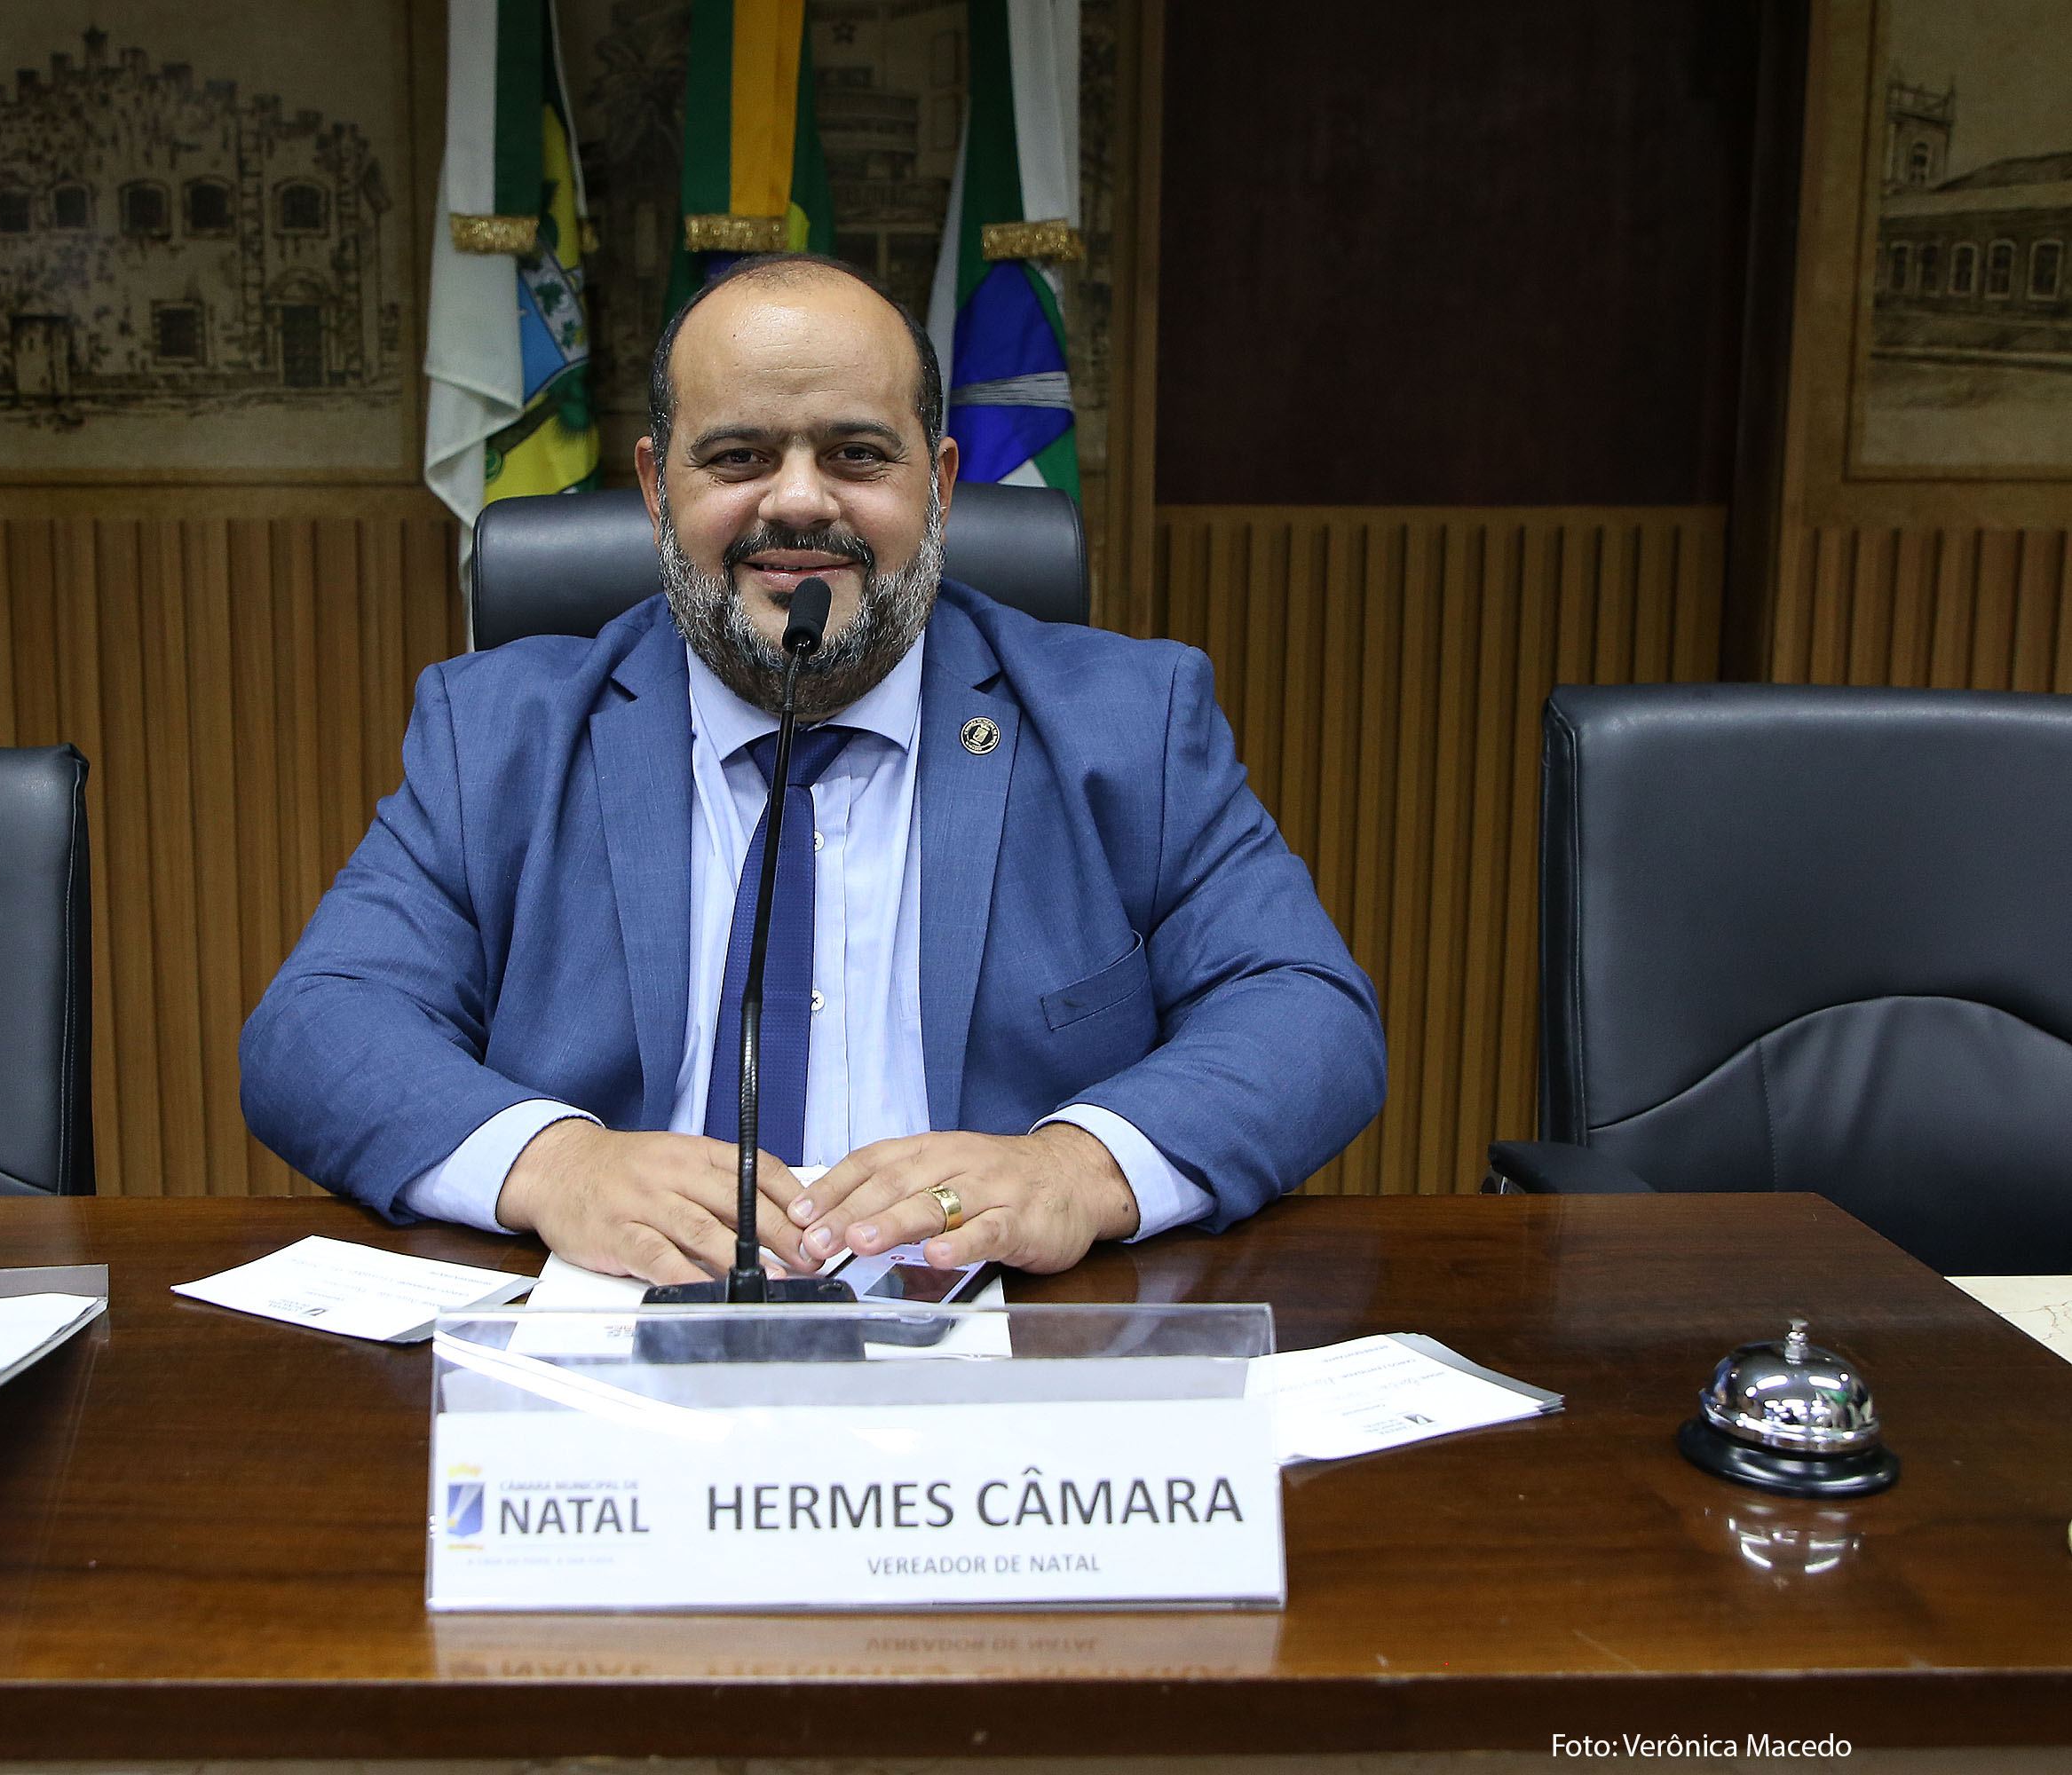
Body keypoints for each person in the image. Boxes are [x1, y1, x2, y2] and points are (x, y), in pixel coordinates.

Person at [241, 254, 1383, 1285]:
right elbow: (319, 1026)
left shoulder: (1129, 721)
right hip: (612, 1343)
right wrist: (555, 1164)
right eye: (738, 456)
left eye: (855, 454)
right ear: (657, 488)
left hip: (1001, 1355)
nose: (796, 500)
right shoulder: (496, 734)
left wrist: (1076, 1169)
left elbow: (1304, 1012)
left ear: (938, 482)